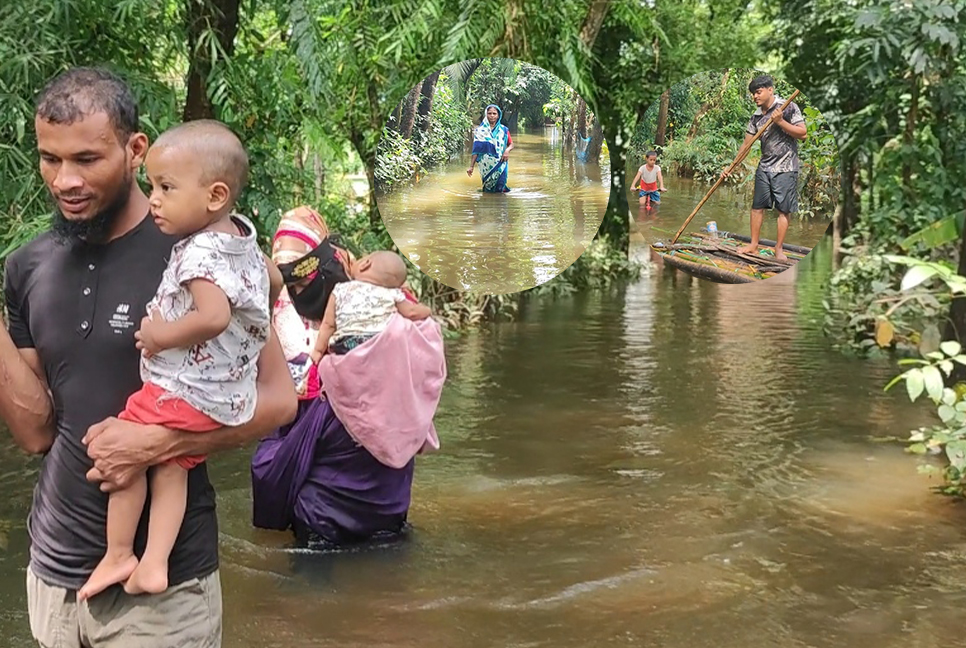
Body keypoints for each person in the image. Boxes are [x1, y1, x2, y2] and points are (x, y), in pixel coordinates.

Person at [0, 67, 295, 647]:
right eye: (50, 159)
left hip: (167, 590)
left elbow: (280, 400)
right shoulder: (27, 267)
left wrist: (163, 442)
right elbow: (36, 432)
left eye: (87, 159)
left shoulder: (204, 249)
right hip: (53, 577)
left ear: (136, 149)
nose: (65, 180)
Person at [77, 120, 271, 602]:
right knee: (170, 467)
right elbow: (259, 296)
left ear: (215, 195)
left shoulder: (199, 252)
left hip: (184, 386)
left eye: (165, 188)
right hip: (224, 392)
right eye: (151, 186)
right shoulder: (242, 240)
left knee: (124, 452)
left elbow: (212, 315)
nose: (154, 199)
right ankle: (155, 564)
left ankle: (119, 552)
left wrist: (160, 335)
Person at [251, 210, 433, 549]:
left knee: (388, 562)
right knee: (313, 552)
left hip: (376, 446)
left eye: (306, 278)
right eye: (292, 283)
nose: (300, 291)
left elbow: (418, 359)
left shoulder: (385, 289)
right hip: (318, 448)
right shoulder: (280, 308)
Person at [722, 75, 807, 261]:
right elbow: (746, 145)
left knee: (783, 210)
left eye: (758, 92)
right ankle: (753, 244)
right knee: (757, 207)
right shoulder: (756, 117)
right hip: (765, 166)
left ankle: (778, 249)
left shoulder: (788, 107)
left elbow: (803, 134)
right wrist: (731, 167)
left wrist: (781, 122)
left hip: (785, 167)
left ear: (770, 90)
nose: (755, 96)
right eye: (753, 93)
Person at [310, 250, 431, 362]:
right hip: (378, 343)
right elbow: (411, 312)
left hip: (346, 345)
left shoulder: (340, 289)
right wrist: (426, 310)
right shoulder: (391, 293)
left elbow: (328, 324)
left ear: (365, 264)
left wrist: (318, 351)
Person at [466, 104, 513, 193]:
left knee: (500, 187)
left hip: (501, 163)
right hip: (485, 166)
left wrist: (507, 150)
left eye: (494, 114)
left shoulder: (504, 130)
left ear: (498, 115)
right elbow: (476, 150)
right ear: (486, 115)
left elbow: (511, 144)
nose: (492, 116)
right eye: (489, 113)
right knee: (488, 189)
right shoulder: (480, 131)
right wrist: (471, 166)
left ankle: (500, 206)